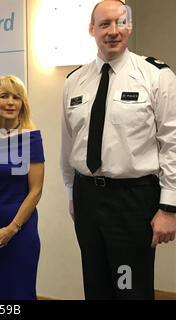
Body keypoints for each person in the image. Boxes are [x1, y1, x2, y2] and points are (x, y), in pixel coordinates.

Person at [60, 0, 176, 300]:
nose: (113, 31)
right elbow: (69, 145)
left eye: (120, 23)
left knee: (131, 289)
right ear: (91, 30)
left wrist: (168, 207)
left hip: (133, 199)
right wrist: (72, 194)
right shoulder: (74, 82)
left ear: (130, 26)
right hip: (88, 197)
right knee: (96, 286)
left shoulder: (156, 75)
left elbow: (172, 144)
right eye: (104, 24)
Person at [0, 75, 45, 299]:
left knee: (19, 291)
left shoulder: (31, 138)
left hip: (21, 229)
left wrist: (11, 229)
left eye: (16, 97)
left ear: (23, 103)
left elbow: (36, 191)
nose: (10, 102)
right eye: (4, 96)